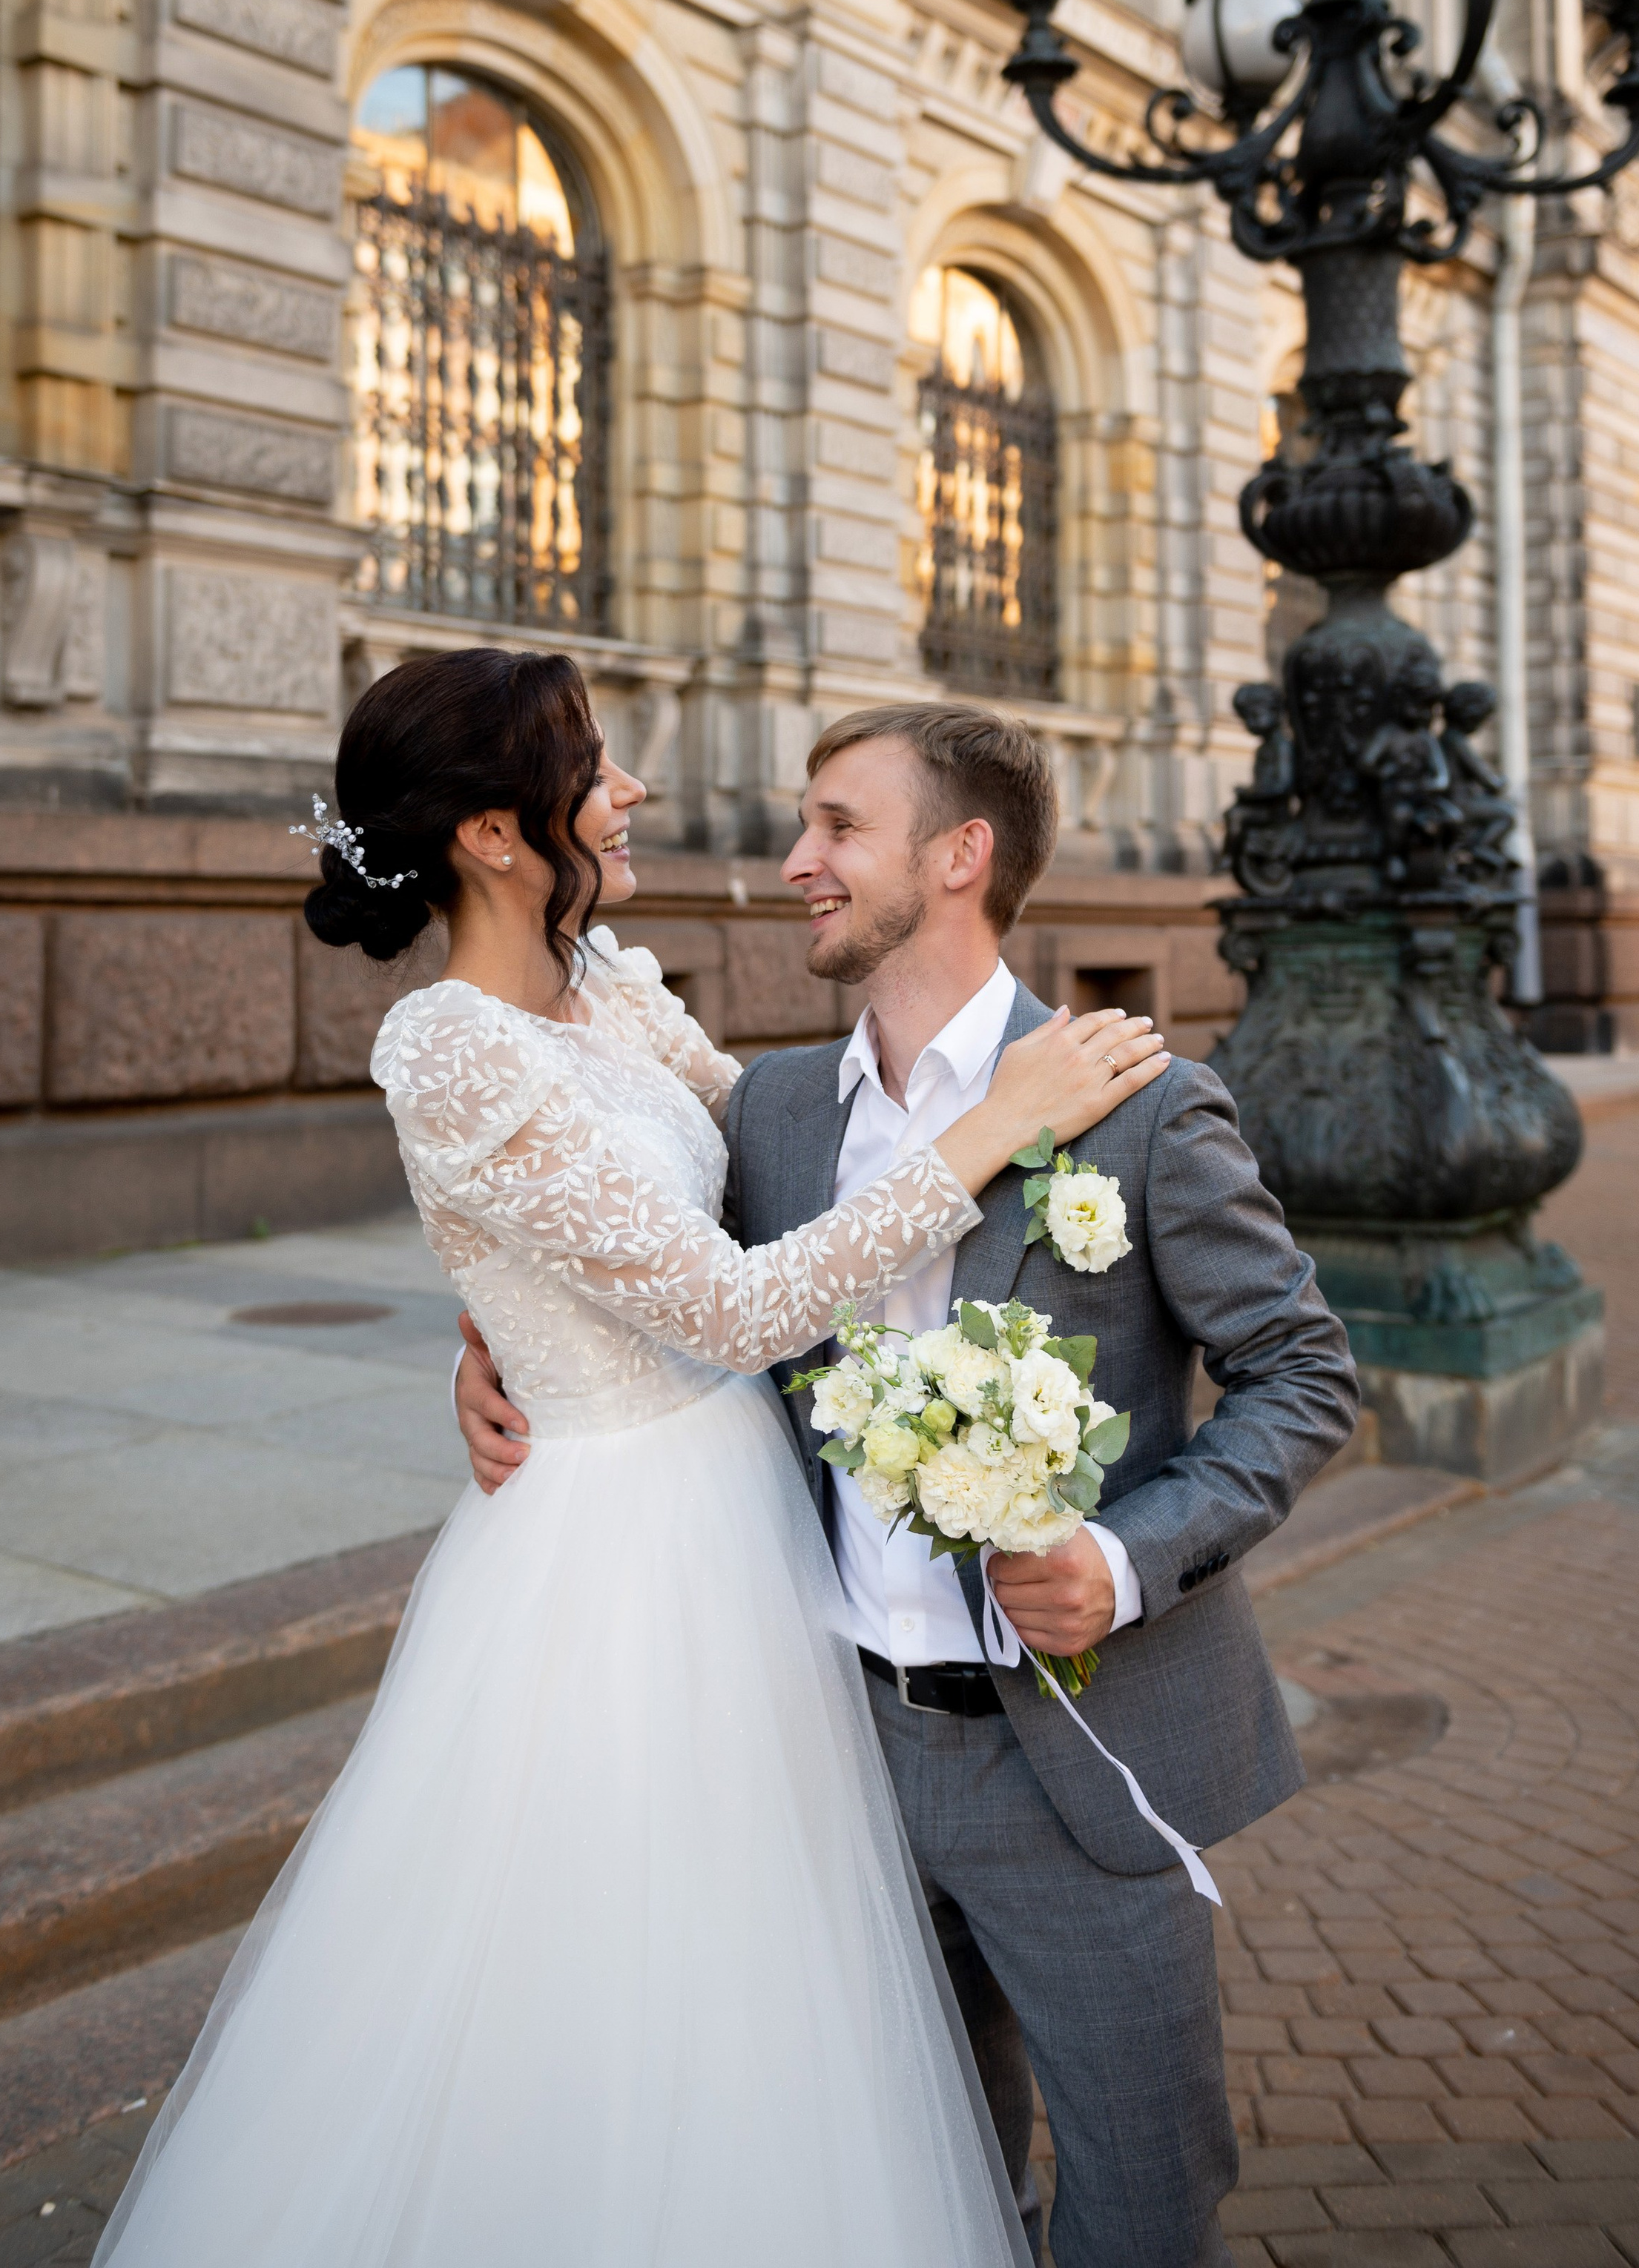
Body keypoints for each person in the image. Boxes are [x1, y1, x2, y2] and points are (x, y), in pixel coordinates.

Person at [93, 649, 1170, 2268]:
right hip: (614, 1556)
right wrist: (992, 1121)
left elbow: (774, 1163)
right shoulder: (449, 1049)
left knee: (784, 1974)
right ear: (494, 836)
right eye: (590, 763)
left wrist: (498, 1322)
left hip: (748, 1516)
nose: (630, 788)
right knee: (618, 1975)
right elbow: (735, 1306)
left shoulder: (609, 986)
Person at [460, 701, 1360, 2268]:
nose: (793, 861)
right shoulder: (775, 1115)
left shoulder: (1138, 1103)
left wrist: (1127, 1553)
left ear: (959, 855)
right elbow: (662, 1280)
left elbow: (1302, 1376)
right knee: (919, 2197)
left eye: (832, 826)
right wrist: (489, 1345)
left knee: (1143, 2200)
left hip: (1077, 1757)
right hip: (832, 1758)